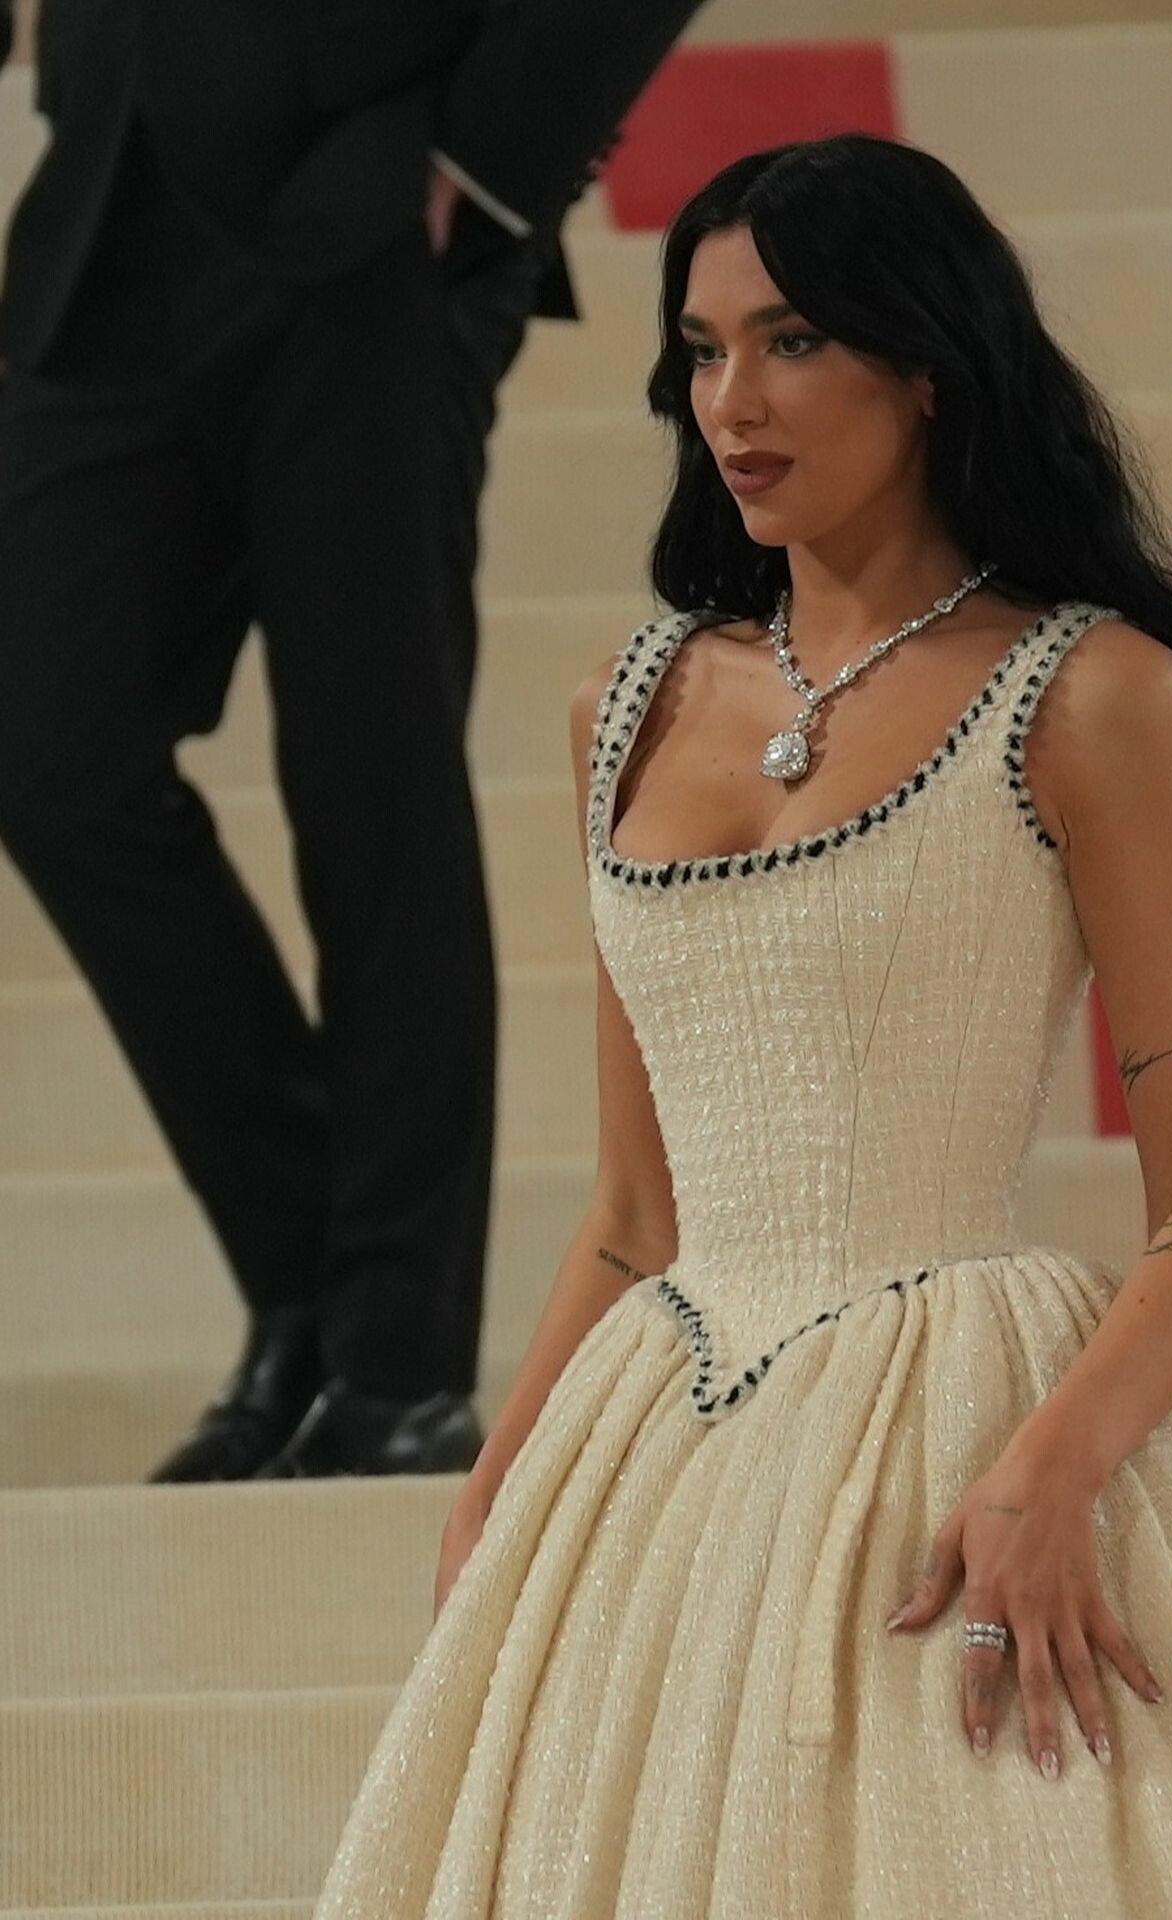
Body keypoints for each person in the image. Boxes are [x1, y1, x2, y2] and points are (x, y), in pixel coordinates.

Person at [311, 137, 1172, 1916]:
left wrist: (1051, 1471)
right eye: (702, 350)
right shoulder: (621, 706)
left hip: (960, 1419)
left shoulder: (1100, 693)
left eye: (792, 340)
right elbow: (634, 1213)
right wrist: (505, 1475)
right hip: (657, 1443)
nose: (733, 400)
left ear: (929, 365)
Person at [0, 0, 702, 1480]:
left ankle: (392, 1364)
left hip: (380, 196)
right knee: (47, 752)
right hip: (106, 191)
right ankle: (312, 1287)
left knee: (369, 794)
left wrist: (492, 163)